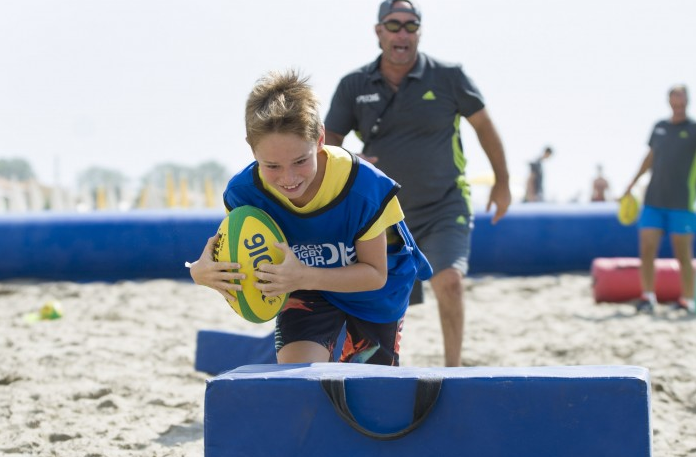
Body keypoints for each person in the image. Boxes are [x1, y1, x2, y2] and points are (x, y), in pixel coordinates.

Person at [189, 69, 432, 366]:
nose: (288, 178)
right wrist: (202, 273)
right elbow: (241, 264)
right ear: (252, 150)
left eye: (301, 161)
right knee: (297, 378)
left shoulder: (364, 187)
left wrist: (303, 274)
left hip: (375, 291)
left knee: (368, 396)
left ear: (319, 139)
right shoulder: (244, 194)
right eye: (272, 166)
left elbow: (374, 274)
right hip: (306, 288)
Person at [324, 0, 511, 366]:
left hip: (445, 203)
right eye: (394, 25)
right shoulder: (353, 85)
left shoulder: (450, 77)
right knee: (379, 297)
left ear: (420, 33)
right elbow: (326, 145)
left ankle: (453, 371)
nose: (402, 33)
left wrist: (502, 182)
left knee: (450, 283)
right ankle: (376, 370)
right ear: (379, 32)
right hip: (384, 214)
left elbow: (486, 127)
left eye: (412, 26)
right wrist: (348, 160)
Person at [622, 84, 696, 314]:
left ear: (687, 99)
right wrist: (632, 183)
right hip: (653, 199)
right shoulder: (659, 127)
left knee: (683, 255)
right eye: (674, 96)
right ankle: (648, 297)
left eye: (682, 96)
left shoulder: (693, 129)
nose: (678, 101)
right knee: (646, 250)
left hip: (682, 202)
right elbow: (650, 157)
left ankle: (688, 300)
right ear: (669, 100)